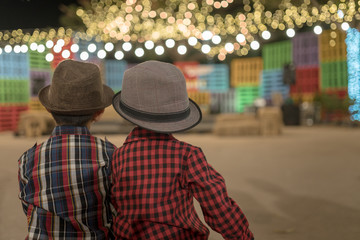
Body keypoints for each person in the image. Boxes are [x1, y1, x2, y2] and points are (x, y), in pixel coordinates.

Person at [110, 60, 254, 240]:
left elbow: (113, 206)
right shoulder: (188, 155)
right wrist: (243, 236)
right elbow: (218, 205)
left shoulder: (117, 157)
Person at [18, 59, 116, 239]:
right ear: (99, 112)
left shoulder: (28, 160)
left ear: (48, 108)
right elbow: (116, 211)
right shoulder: (111, 155)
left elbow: (29, 211)